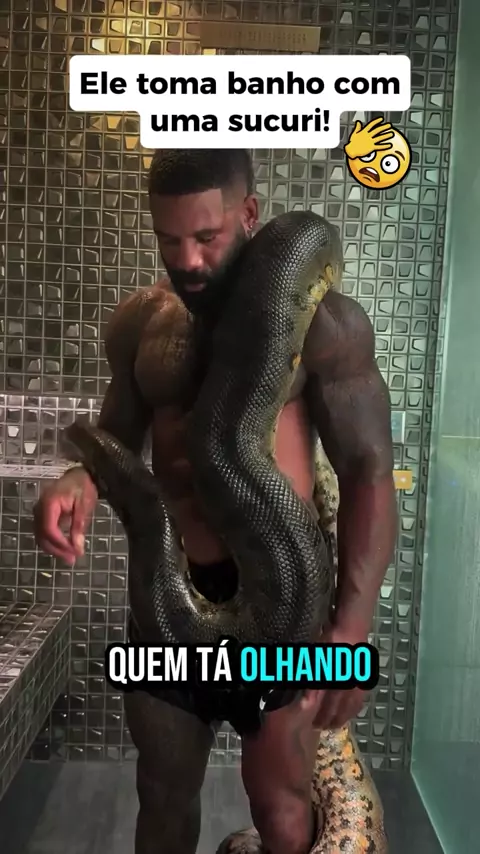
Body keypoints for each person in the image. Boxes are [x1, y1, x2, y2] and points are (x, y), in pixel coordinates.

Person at [33, 149, 397, 854]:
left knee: (282, 806)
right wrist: (78, 479)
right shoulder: (142, 323)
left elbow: (368, 471)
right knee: (163, 793)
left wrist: (352, 626)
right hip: (170, 599)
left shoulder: (323, 325)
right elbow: (116, 438)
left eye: (207, 236)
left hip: (284, 604)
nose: (188, 261)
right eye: (170, 240)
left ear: (249, 214)